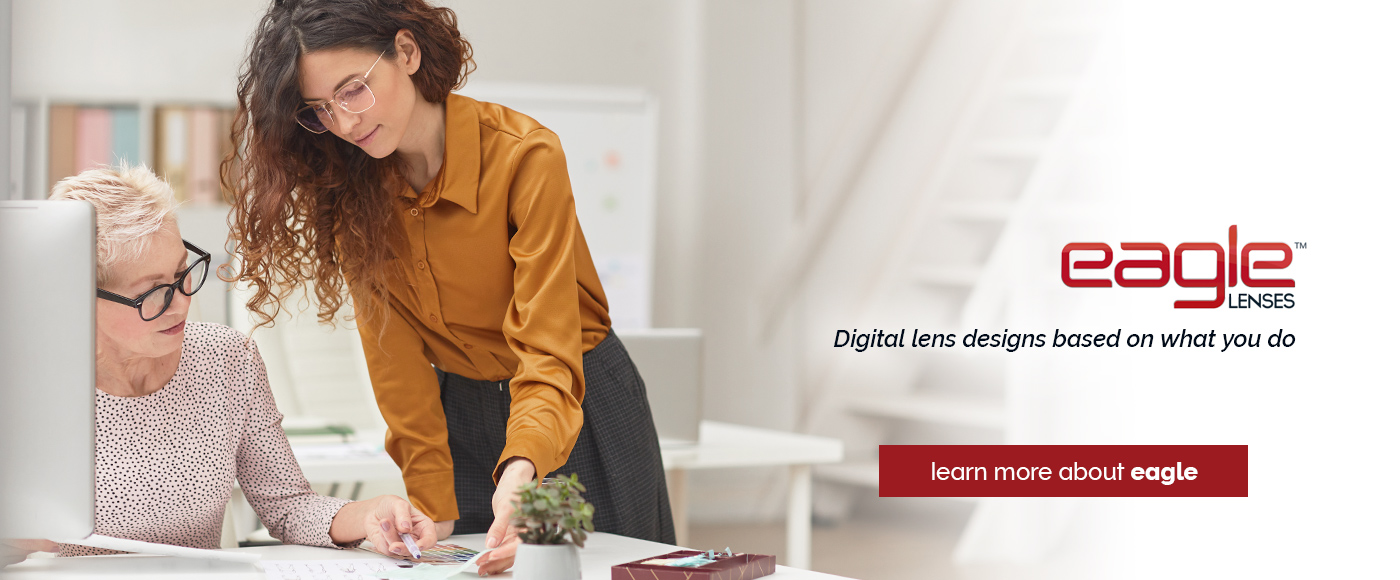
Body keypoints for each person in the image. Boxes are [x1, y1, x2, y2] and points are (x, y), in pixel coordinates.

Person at [223, 0, 674, 573]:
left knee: (602, 571)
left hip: (575, 400)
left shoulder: (524, 156)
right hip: (461, 408)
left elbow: (547, 345)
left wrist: (523, 468)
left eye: (353, 90)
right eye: (319, 110)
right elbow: (396, 363)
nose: (344, 122)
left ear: (406, 52)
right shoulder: (352, 189)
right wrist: (431, 506)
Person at [0, 166, 436, 563]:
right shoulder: (24, 385)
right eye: (153, 291)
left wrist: (370, 515)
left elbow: (288, 506)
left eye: (182, 272)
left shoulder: (227, 359)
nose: (182, 302)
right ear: (78, 296)